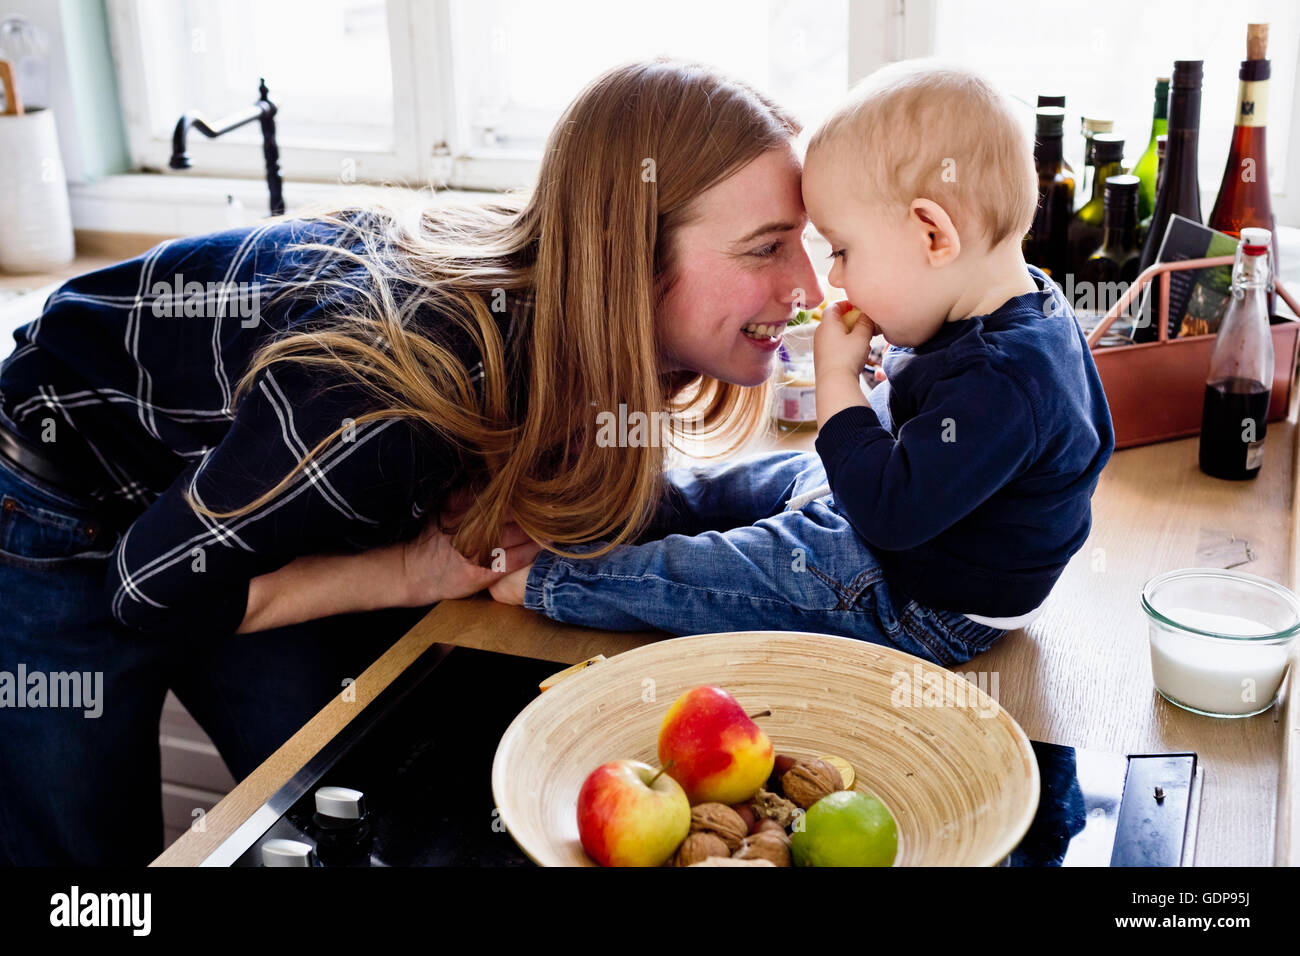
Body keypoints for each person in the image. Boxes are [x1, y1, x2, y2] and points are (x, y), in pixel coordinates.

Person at [0, 58, 817, 865]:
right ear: (626, 258)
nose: (807, 284)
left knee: (341, 793)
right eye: (766, 249)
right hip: (56, 493)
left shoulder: (574, 330)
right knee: (83, 864)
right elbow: (149, 589)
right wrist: (415, 572)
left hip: (235, 509)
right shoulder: (390, 402)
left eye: (806, 243)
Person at [490, 60, 1115, 668]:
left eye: (842, 249)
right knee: (764, 478)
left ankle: (567, 583)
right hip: (893, 519)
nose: (830, 281)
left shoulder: (1003, 380)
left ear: (932, 236)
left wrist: (838, 382)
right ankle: (634, 510)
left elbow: (888, 514)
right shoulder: (1025, 301)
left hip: (918, 598)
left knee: (748, 566)